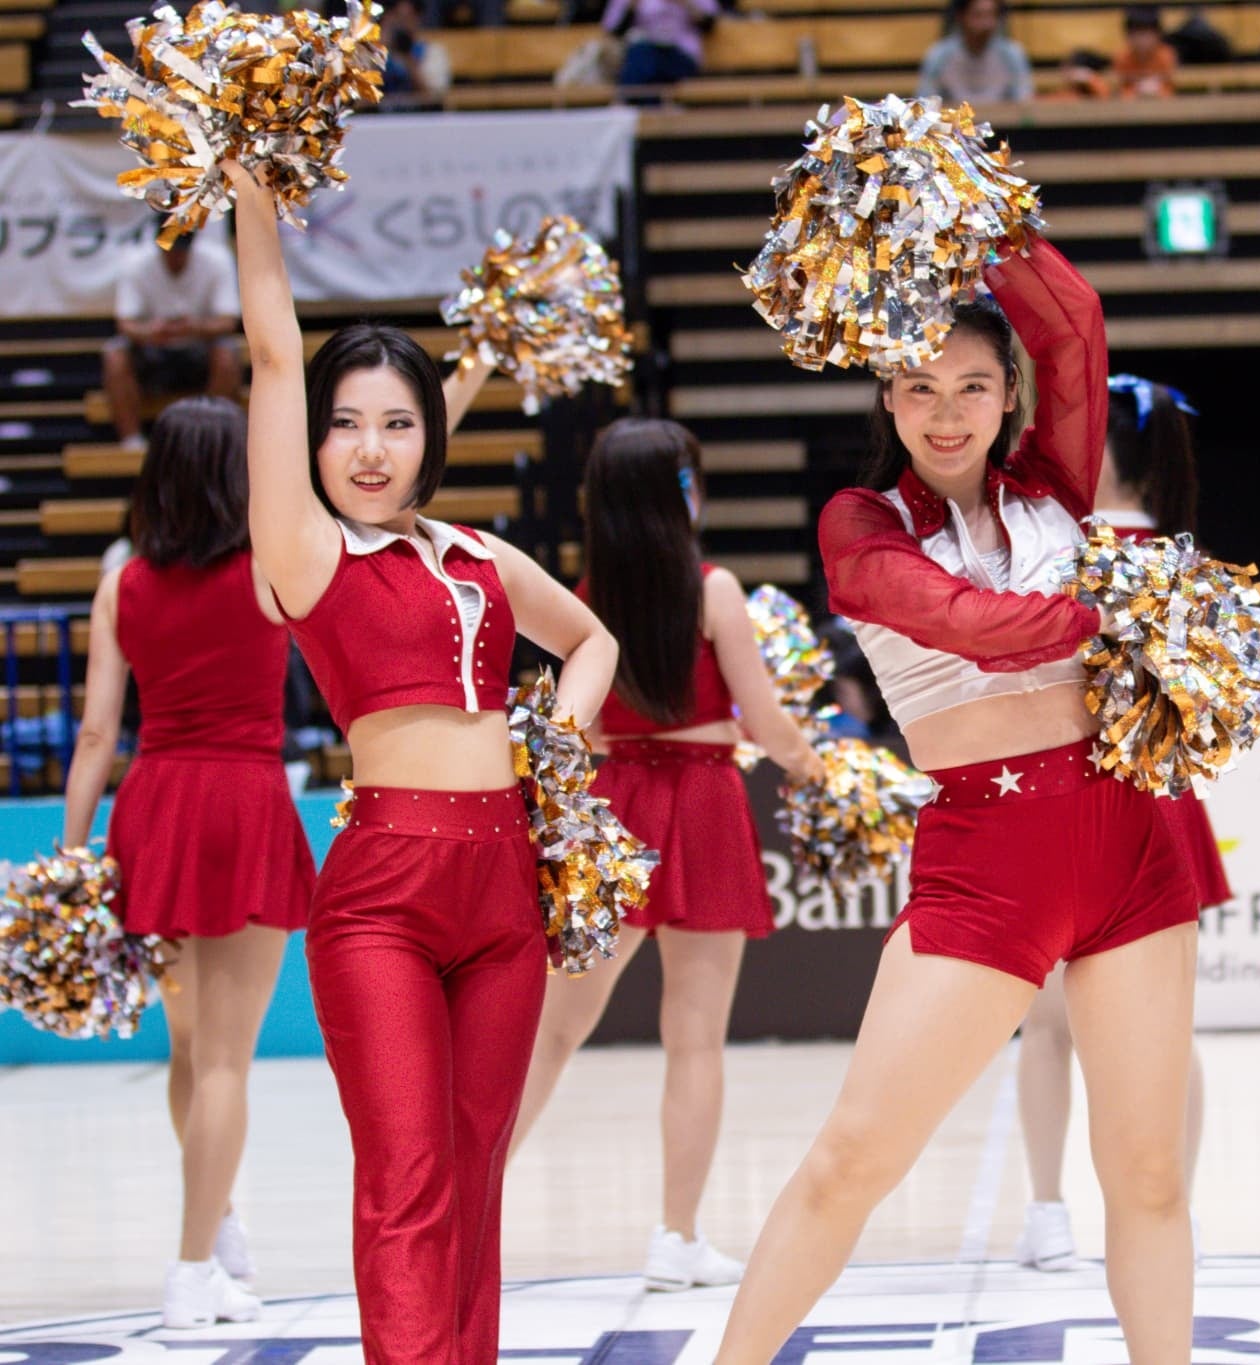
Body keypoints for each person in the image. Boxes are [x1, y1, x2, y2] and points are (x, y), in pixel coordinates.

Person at [712, 238, 1198, 1363]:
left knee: (1147, 1172)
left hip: (1129, 845)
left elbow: (1072, 325)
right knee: (852, 1159)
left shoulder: (1054, 488)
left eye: (973, 385)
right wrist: (1112, 617)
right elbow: (962, 625)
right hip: (986, 866)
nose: (946, 413)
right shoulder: (860, 523)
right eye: (920, 386)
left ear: (1008, 395)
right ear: (887, 395)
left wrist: (972, 221)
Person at [226, 159, 618, 1364]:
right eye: (345, 424)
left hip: (505, 891)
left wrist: (554, 748)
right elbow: (276, 353)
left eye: (397, 424)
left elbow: (591, 641)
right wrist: (252, 199)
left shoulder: (476, 556)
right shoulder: (304, 551)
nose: (369, 447)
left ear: (429, 438)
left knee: (474, 1168)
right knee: (406, 1179)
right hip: (382, 897)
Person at [509, 419, 825, 1291]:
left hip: (615, 807)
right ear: (677, 493)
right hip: (705, 802)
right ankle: (676, 1237)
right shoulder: (714, 589)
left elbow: (575, 723)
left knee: (551, 1032)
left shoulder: (581, 597)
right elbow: (766, 722)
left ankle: (466, 1208)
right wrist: (815, 766)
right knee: (695, 1039)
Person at [60, 397, 316, 1328]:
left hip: (158, 810)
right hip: (244, 804)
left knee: (191, 1049)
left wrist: (72, 856)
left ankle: (218, 1220)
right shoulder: (272, 573)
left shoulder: (121, 585)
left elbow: (96, 734)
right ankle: (191, 1267)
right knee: (225, 1064)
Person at [1014, 373, 1222, 1273]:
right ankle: (1175, 1209)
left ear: (1098, 450)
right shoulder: (1188, 565)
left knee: (1048, 1027)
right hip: (1163, 806)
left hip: (1063, 803)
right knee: (1170, 1034)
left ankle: (1047, 1210)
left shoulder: (1057, 555)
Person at [104, 232, 242, 451]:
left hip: (200, 348)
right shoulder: (135, 262)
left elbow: (228, 321)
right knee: (115, 353)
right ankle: (131, 441)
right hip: (152, 350)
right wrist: (150, 332)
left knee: (227, 352)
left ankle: (212, 439)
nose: (175, 256)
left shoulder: (217, 259)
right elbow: (125, 324)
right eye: (170, 250)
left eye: (181, 250)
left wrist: (196, 328)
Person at [918, 0, 1033, 106]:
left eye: (991, 15)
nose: (986, 24)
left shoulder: (1012, 55)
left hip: (1003, 122)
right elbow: (926, 105)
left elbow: (1024, 102)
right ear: (960, 16)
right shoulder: (939, 56)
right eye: (978, 15)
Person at [604, 0, 719, 90]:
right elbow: (614, 32)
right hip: (642, 57)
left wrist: (685, 3)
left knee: (641, 61)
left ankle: (627, 103)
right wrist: (632, 6)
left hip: (682, 57)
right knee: (642, 57)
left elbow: (709, 25)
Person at [379, 0, 452, 104]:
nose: (401, 25)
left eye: (407, 18)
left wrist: (407, 59)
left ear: (418, 18)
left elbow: (434, 98)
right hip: (378, 112)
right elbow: (361, 96)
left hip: (421, 112)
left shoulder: (432, 52)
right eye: (397, 17)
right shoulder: (375, 52)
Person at [1111, 6, 1176, 97]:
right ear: (1128, 36)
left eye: (1146, 34)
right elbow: (1122, 89)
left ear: (1158, 35)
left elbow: (1168, 89)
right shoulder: (1122, 58)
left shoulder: (1166, 56)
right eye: (1136, 34)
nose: (1142, 40)